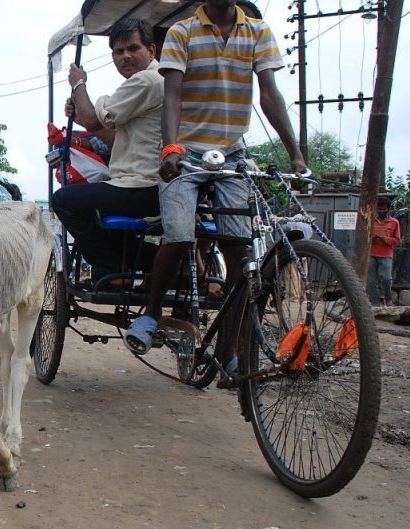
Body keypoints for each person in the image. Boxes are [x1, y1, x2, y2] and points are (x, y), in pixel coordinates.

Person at [125, 0, 309, 366]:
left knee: (240, 251)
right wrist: (171, 148)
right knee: (178, 234)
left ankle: (228, 350)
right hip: (186, 153)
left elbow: (270, 94)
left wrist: (296, 153)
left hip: (231, 154)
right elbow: (173, 95)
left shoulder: (257, 32)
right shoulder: (183, 32)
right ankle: (150, 312)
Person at [50, 17, 163, 279]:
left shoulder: (147, 81)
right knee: (92, 206)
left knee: (63, 200)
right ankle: (140, 261)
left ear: (151, 50)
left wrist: (79, 85)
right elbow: (114, 138)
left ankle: (117, 267)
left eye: (133, 48)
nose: (125, 56)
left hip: (142, 187)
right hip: (143, 184)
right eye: (119, 51)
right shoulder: (152, 81)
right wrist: (81, 116)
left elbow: (92, 119)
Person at [370, 197, 400, 306]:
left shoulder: (394, 222)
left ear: (388, 209)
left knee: (386, 279)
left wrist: (385, 239)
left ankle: (388, 298)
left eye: (384, 209)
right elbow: (365, 237)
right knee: (371, 281)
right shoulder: (371, 221)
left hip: (386, 255)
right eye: (379, 209)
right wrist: (372, 238)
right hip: (371, 254)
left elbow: (397, 240)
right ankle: (374, 303)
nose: (381, 211)